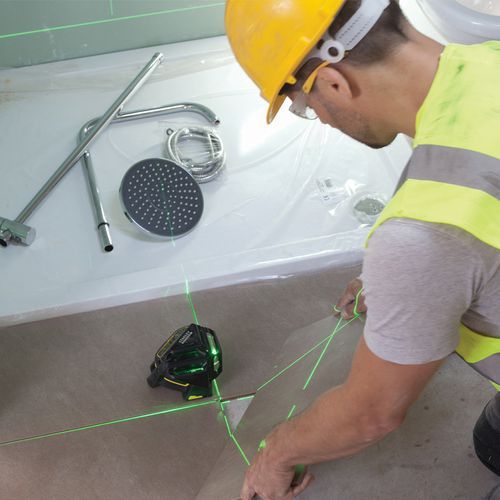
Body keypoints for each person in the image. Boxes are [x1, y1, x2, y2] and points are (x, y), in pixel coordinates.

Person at [224, 0, 500, 498]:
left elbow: (371, 414)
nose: (318, 118)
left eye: (304, 106)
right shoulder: (490, 58)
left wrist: (277, 452)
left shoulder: (424, 235)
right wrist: (411, 285)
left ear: (334, 82)